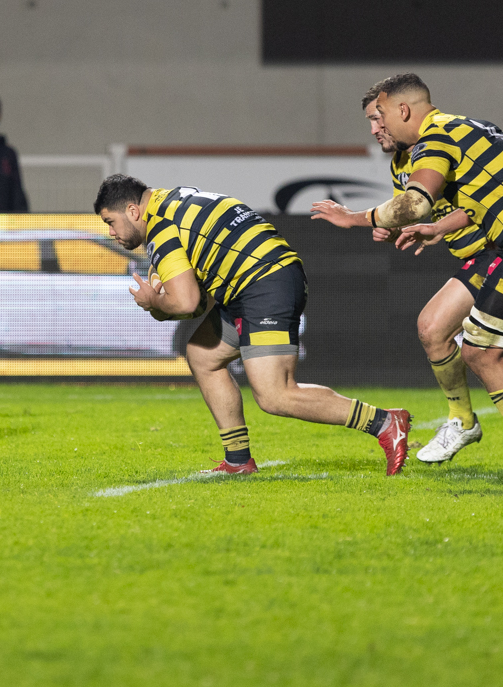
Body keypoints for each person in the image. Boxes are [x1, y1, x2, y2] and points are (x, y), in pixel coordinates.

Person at [312, 73, 503, 480]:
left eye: (378, 116)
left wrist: (354, 217)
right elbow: (470, 200)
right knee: (477, 346)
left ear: (402, 109)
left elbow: (417, 204)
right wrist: (422, 227)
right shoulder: (451, 136)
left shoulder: (436, 139)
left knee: (483, 351)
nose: (374, 129)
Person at [95, 175, 412, 475]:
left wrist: (155, 304)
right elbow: (201, 298)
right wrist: (167, 303)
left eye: (110, 222)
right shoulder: (178, 199)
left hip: (263, 284)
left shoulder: (162, 227)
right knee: (203, 355)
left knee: (276, 395)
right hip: (260, 279)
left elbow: (188, 303)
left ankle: (384, 422)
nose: (111, 232)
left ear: (133, 210)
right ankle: (237, 460)